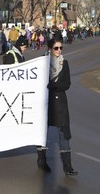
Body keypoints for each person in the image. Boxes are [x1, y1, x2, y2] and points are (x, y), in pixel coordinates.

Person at [36, 38, 78, 176]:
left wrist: (55, 86)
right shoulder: (43, 62)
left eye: (61, 48)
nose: (59, 50)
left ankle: (68, 166)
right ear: (49, 49)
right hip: (46, 103)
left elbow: (67, 83)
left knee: (64, 134)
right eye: (56, 48)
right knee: (43, 132)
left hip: (60, 103)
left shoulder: (65, 63)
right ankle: (42, 161)